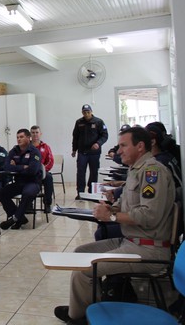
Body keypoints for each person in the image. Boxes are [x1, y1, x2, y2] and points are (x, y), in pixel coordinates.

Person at [54, 126, 175, 325]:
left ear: (140, 146)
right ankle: (87, 309)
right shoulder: (135, 170)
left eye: (123, 146)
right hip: (131, 240)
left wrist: (111, 218)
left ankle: (80, 317)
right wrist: (110, 208)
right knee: (79, 253)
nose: (118, 151)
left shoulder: (153, 172)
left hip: (148, 248)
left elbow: (149, 215)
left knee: (86, 268)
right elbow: (127, 203)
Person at [0, 129, 42, 230]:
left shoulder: (35, 152)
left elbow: (33, 170)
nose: (19, 139)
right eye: (17, 137)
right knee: (1, 193)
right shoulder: (14, 151)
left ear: (28, 138)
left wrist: (16, 166)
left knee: (27, 193)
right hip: (19, 182)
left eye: (21, 137)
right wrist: (22, 167)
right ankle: (20, 218)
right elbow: (6, 167)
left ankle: (14, 219)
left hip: (33, 182)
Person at [71, 104, 108, 198]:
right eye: (84, 112)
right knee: (80, 172)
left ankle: (92, 191)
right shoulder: (79, 122)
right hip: (82, 152)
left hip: (94, 153)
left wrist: (98, 143)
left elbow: (104, 135)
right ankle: (80, 192)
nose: (86, 114)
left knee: (94, 172)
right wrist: (74, 149)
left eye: (88, 112)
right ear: (82, 112)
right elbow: (75, 137)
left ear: (91, 112)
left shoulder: (98, 122)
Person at [30, 125, 54, 213]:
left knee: (49, 178)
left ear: (40, 134)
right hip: (29, 172)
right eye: (33, 133)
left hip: (42, 172)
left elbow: (50, 161)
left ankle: (47, 204)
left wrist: (43, 170)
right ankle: (28, 204)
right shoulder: (27, 146)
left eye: (37, 132)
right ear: (30, 134)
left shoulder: (46, 147)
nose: (35, 135)